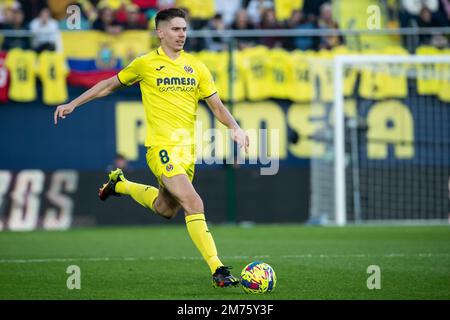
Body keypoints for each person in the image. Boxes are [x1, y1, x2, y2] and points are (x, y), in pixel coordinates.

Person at [54, 7, 249, 288]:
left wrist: (236, 128)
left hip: (187, 152)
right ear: (160, 32)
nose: (182, 34)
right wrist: (74, 103)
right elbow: (109, 85)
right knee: (193, 203)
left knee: (166, 209)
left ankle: (119, 185)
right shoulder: (145, 64)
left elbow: (216, 106)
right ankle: (217, 268)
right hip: (161, 148)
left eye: (184, 29)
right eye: (175, 29)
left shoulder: (198, 67)